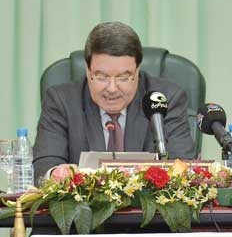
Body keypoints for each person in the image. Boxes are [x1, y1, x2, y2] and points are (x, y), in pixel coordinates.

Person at [33, 21, 195, 181]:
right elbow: (46, 165)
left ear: (137, 72)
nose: (112, 88)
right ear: (88, 71)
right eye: (102, 77)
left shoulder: (165, 99)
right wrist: (57, 175)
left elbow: (181, 167)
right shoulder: (61, 102)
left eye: (123, 77)